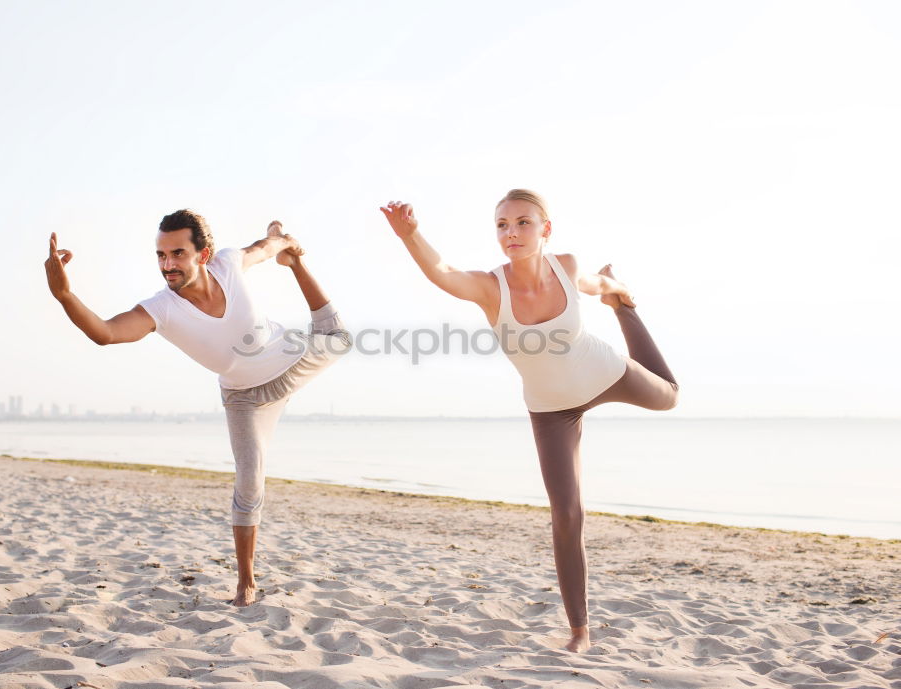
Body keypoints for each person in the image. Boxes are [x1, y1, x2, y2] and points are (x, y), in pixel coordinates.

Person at [379, 190, 678, 653]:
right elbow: (444, 273)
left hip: (604, 373)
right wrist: (411, 234)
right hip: (552, 409)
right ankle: (580, 630)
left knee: (669, 397)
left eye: (522, 223)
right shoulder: (490, 287)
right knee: (567, 515)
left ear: (545, 229)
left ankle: (628, 315)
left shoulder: (568, 265)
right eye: (502, 225)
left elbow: (597, 285)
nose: (511, 233)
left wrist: (617, 294)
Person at [44, 209, 351, 606]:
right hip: (245, 398)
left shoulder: (227, 263)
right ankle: (246, 584)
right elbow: (105, 333)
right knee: (249, 482)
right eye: (160, 255)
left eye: (177, 254)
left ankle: (296, 266)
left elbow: (263, 247)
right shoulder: (161, 309)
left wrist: (285, 244)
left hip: (289, 360)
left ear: (202, 255)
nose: (167, 265)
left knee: (338, 338)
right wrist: (65, 295)